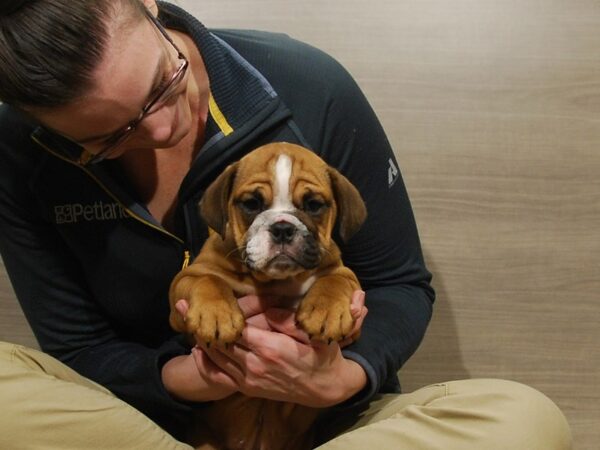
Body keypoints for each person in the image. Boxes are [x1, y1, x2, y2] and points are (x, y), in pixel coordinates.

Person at [0, 0, 571, 449]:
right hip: (158, 424)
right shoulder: (16, 150)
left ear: (149, 3)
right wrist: (186, 378)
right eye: (105, 139)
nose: (162, 129)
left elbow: (400, 283)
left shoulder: (309, 85)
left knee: (524, 420)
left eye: (162, 84)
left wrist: (343, 376)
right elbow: (78, 349)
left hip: (326, 424)